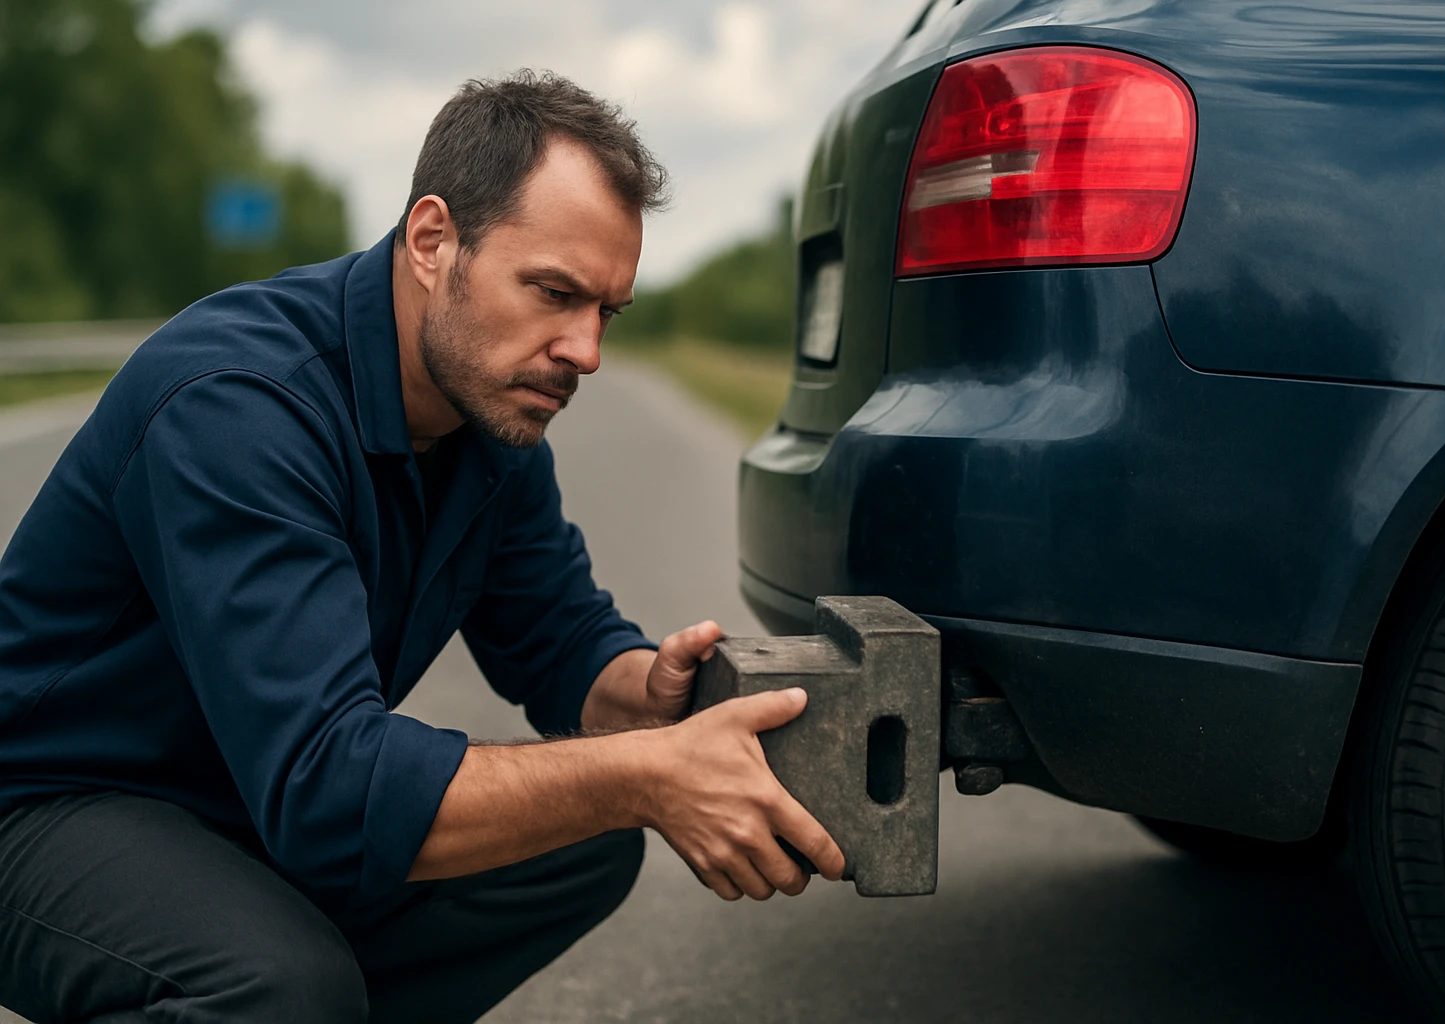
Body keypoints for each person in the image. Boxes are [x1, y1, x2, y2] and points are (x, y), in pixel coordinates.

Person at [0, 71, 843, 1023]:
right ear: (433, 240)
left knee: (584, 841)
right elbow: (327, 787)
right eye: (554, 292)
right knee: (280, 989)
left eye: (605, 311)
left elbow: (559, 638)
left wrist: (651, 696)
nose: (586, 351)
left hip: (244, 800)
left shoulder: (492, 411)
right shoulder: (238, 406)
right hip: (47, 803)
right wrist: (646, 772)